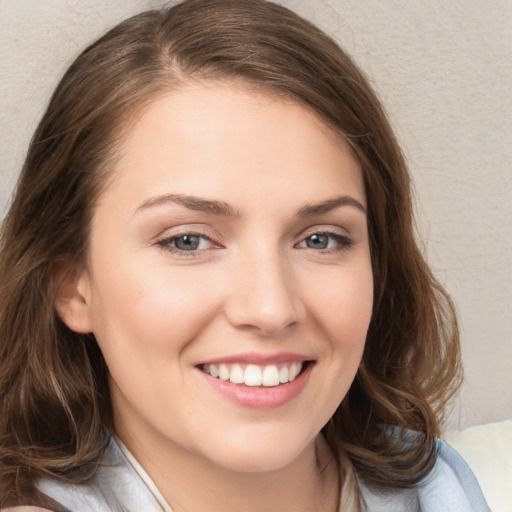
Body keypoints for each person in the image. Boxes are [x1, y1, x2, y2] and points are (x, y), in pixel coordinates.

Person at [0, 0, 490, 510]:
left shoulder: (440, 487)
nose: (270, 308)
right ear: (71, 285)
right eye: (187, 240)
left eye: (320, 239)